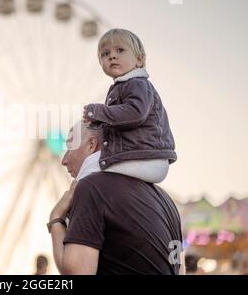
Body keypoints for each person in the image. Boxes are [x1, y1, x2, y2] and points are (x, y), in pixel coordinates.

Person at [48, 121, 183, 274]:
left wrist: (56, 219)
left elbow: (76, 273)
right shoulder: (167, 201)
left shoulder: (91, 187)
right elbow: (179, 268)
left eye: (69, 148)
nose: (63, 160)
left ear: (91, 144)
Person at [82, 28, 177, 184]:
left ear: (139, 60)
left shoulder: (137, 84)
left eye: (120, 50)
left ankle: (70, 204)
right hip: (143, 155)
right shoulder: (124, 86)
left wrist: (99, 112)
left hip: (146, 156)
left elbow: (135, 114)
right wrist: (96, 122)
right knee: (95, 168)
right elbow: (121, 120)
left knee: (89, 167)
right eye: (105, 54)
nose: (112, 56)